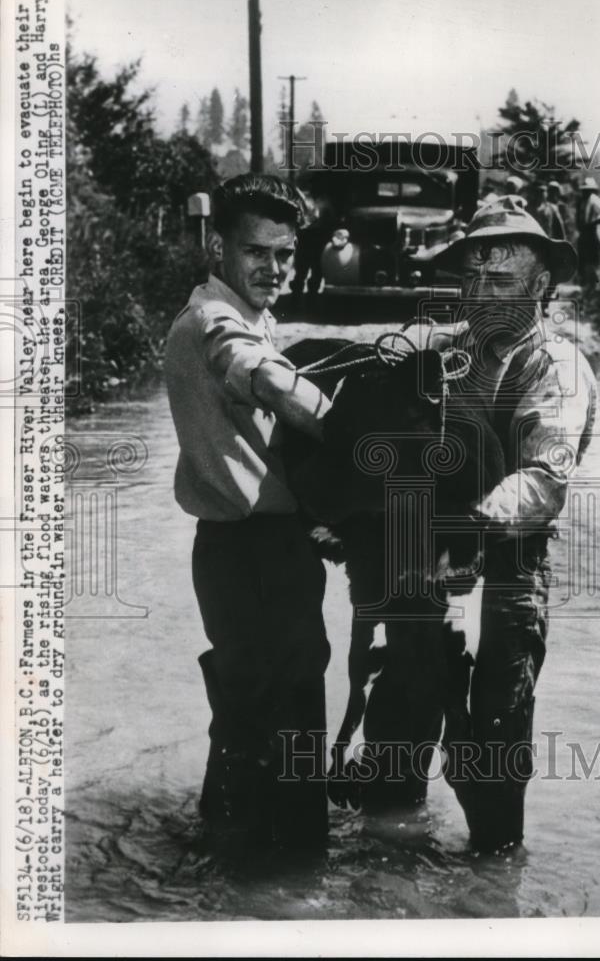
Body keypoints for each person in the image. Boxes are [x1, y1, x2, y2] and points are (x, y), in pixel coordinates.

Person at [164, 174, 333, 851]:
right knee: (279, 723)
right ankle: (283, 882)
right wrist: (349, 430)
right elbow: (257, 374)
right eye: (257, 251)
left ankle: (227, 872)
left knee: (251, 719)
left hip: (259, 550)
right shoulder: (215, 321)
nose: (274, 268)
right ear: (219, 249)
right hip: (250, 556)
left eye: (286, 254)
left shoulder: (250, 315)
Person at [432, 195, 597, 852]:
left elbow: (543, 481)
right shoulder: (450, 360)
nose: (480, 294)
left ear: (540, 287)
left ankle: (496, 879)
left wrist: (465, 527)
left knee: (498, 737)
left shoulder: (556, 368)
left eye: (499, 281)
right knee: (416, 716)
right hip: (433, 571)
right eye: (472, 278)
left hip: (509, 575)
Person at [575, 176, 600, 291]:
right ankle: (587, 286)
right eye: (584, 190)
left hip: (592, 233)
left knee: (593, 260)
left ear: (591, 190)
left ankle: (595, 287)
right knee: (584, 260)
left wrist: (595, 223)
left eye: (587, 190)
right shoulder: (583, 201)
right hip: (585, 233)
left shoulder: (594, 199)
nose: (585, 192)